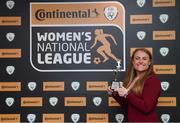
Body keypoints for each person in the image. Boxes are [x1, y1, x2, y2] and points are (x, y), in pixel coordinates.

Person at [107, 48, 161, 122]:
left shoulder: (152, 80)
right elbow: (127, 105)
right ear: (133, 61)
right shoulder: (132, 80)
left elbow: (146, 108)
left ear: (149, 62)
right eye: (137, 58)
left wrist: (127, 94)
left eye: (144, 59)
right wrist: (114, 93)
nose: (141, 61)